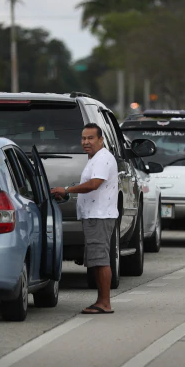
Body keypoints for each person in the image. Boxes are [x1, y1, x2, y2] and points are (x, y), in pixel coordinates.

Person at [51, 123, 119, 314]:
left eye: (90, 138)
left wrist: (67, 190)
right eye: (83, 138)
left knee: (101, 260)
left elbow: (94, 184)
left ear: (101, 139)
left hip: (100, 216)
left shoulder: (103, 158)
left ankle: (105, 303)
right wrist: (66, 194)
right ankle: (100, 301)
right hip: (93, 216)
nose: (86, 142)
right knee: (96, 261)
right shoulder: (94, 158)